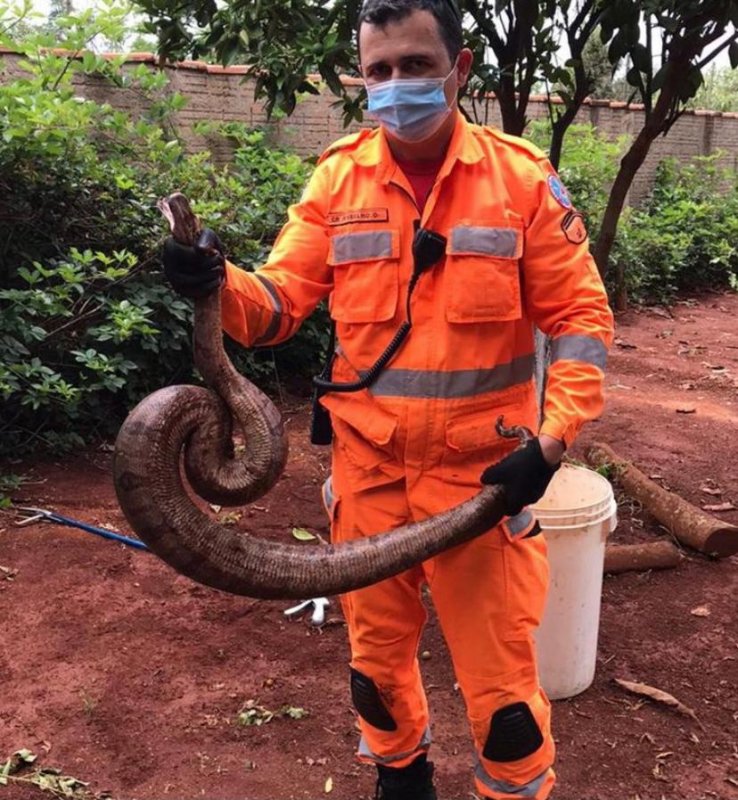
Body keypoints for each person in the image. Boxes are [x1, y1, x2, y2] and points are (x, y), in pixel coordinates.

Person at [163, 0, 614, 797]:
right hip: (368, 487)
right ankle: (400, 782)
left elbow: (580, 319)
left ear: (460, 68)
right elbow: (278, 305)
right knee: (374, 674)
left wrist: (551, 443)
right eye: (378, 71)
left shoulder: (519, 178)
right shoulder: (340, 176)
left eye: (414, 65)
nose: (395, 85)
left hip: (483, 489)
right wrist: (216, 282)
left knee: (505, 703)